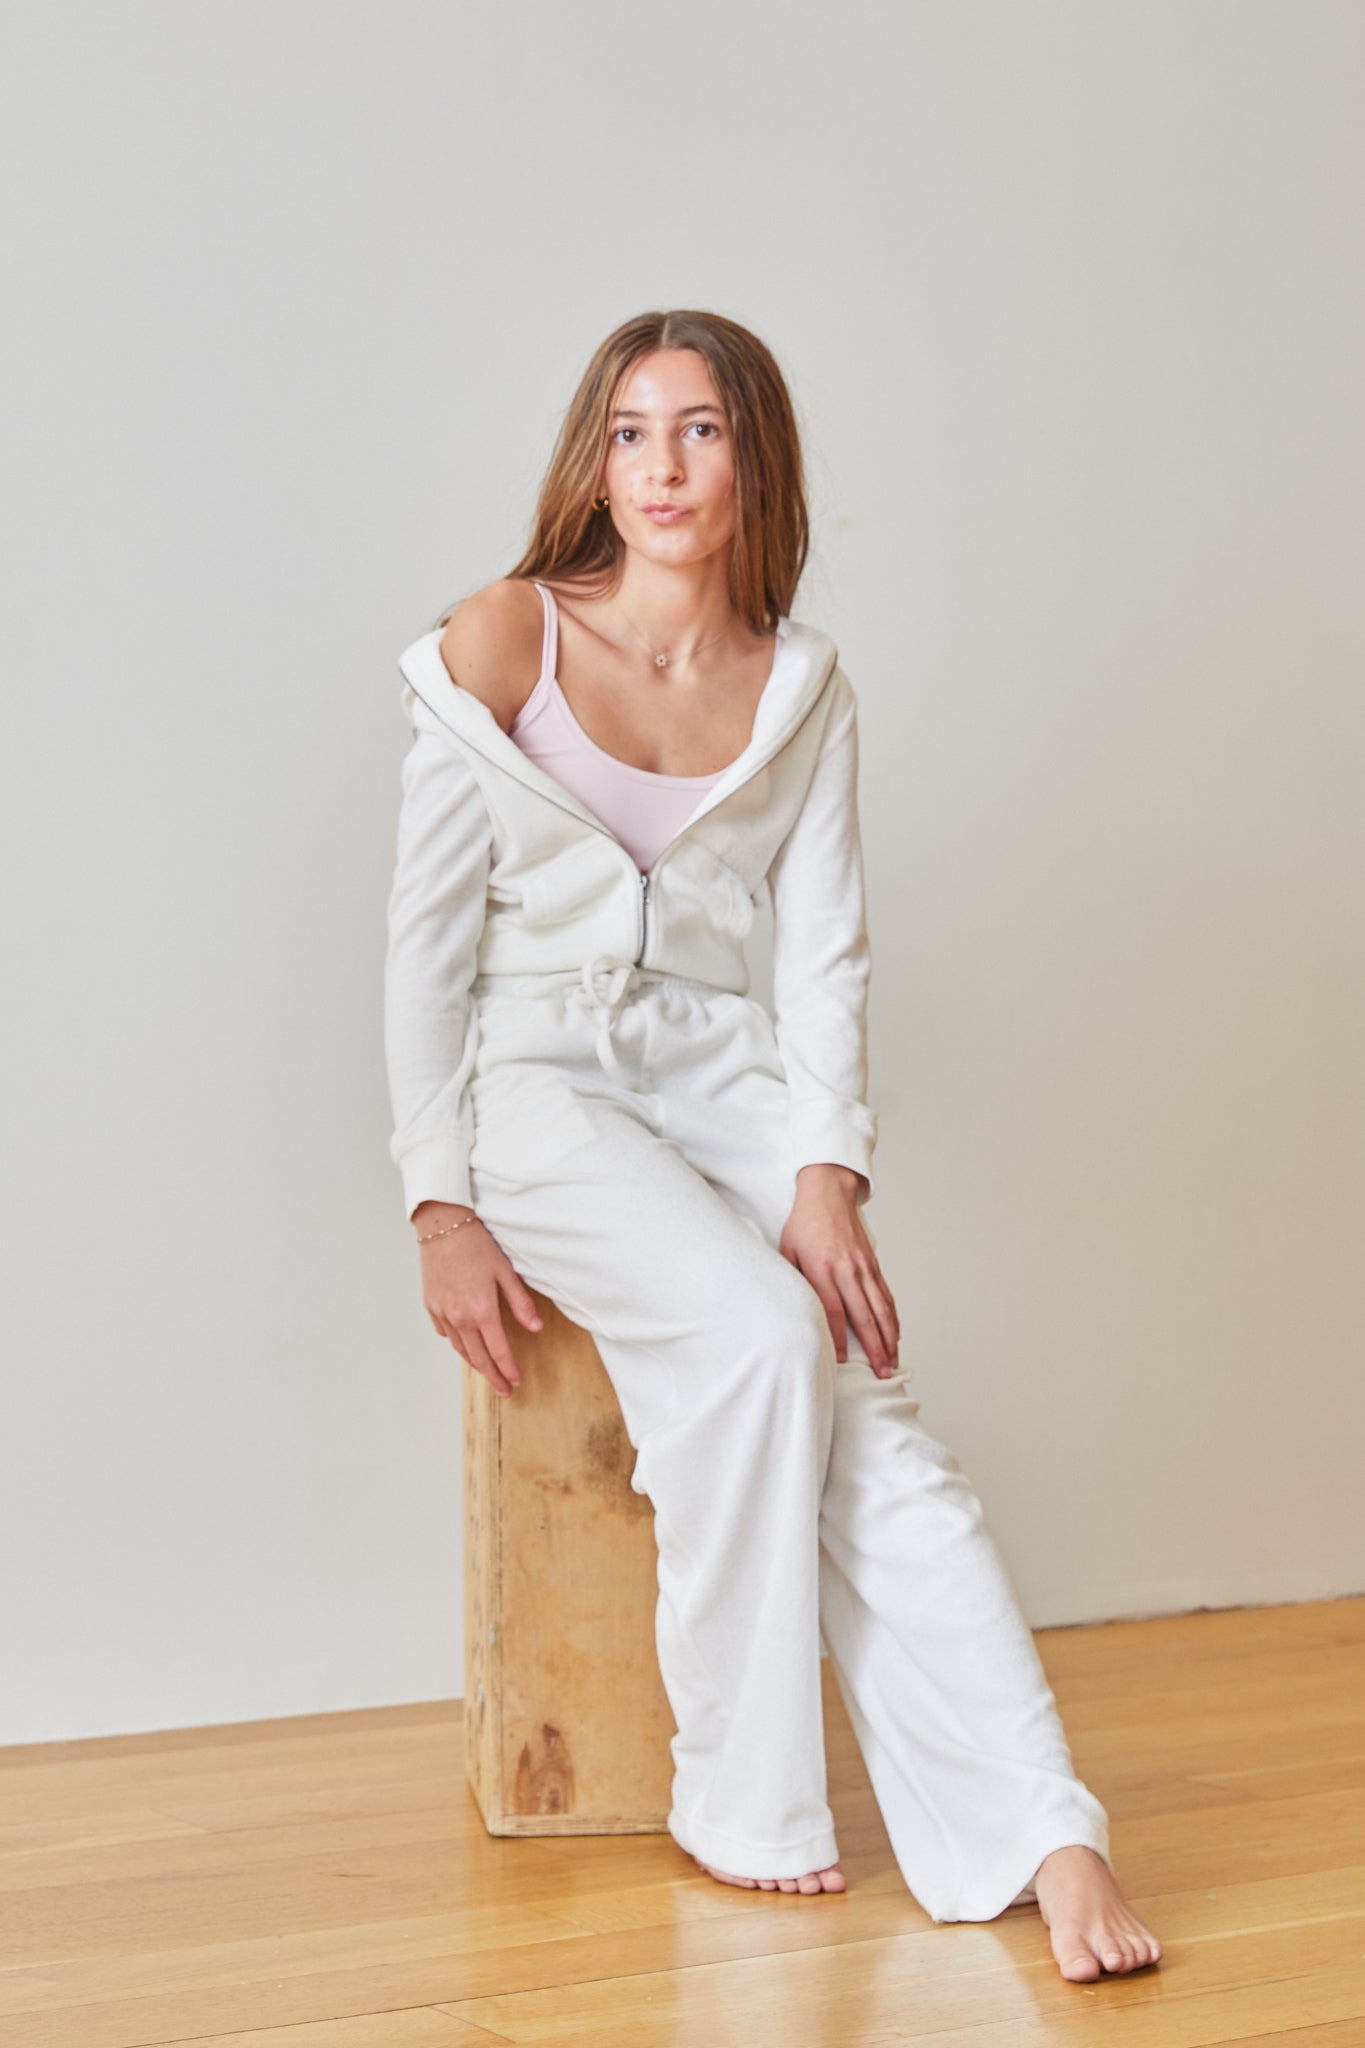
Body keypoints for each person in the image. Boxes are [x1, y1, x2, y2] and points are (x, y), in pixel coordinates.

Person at [383, 309, 1162, 1983]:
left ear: (755, 459)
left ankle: (1047, 1831)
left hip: (717, 1069)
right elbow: (424, 950)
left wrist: (825, 1176)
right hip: (535, 1078)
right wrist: (437, 1203)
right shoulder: (506, 634)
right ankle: (741, 1795)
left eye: (700, 430)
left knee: (872, 1413)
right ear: (595, 462)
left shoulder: (802, 687)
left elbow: (824, 954)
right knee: (754, 1337)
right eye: (630, 433)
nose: (661, 468)